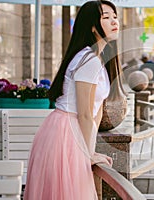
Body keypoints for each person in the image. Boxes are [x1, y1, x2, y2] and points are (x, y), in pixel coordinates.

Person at [24, 1, 120, 199]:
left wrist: (90, 150)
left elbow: (95, 112)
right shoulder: (89, 60)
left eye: (114, 16)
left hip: (66, 131)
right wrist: (88, 154)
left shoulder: (94, 58)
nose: (114, 21)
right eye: (106, 17)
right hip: (67, 133)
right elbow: (84, 114)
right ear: (93, 26)